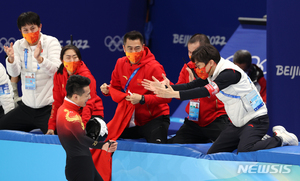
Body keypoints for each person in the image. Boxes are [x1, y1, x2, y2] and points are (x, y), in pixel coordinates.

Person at [142, 44, 298, 154]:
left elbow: (205, 91)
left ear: (211, 62)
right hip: (237, 123)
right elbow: (194, 84)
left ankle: (281, 138)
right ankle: (251, 138)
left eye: (199, 66)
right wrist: (169, 88)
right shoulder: (211, 72)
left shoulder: (229, 73)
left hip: (256, 120)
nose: (198, 70)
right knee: (214, 152)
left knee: (245, 149)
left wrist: (173, 95)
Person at [100, 30, 171, 143]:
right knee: (108, 139)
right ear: (124, 48)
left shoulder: (154, 67)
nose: (134, 52)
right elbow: (115, 87)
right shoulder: (120, 63)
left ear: (143, 47)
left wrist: (142, 99)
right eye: (130, 48)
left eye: (137, 48)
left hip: (155, 119)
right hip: (132, 119)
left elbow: (167, 97)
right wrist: (108, 90)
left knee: (157, 146)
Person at [0, 11, 61, 134]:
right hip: (26, 108)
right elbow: (14, 72)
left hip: (48, 109)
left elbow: (56, 71)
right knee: (2, 128)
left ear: (40, 27)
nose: (30, 33)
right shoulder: (18, 45)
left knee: (61, 137)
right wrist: (11, 60)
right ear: (20, 31)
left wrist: (40, 59)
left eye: (33, 28)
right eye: (25, 30)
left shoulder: (51, 42)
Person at [170, 33, 229, 143]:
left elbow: (210, 91)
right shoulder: (187, 67)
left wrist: (193, 85)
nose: (191, 56)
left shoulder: (217, 68)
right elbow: (179, 94)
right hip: (194, 120)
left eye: (195, 52)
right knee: (175, 145)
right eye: (189, 52)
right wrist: (167, 86)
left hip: (216, 119)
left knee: (229, 146)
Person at [57, 75, 117, 181]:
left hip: (83, 163)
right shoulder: (71, 117)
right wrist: (103, 145)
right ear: (75, 97)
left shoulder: (63, 109)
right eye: (87, 95)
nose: (89, 98)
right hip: (81, 167)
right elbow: (83, 139)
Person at [46, 45, 104, 135]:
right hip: (72, 114)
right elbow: (57, 102)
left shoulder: (87, 77)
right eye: (68, 58)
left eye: (75, 57)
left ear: (80, 59)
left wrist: (82, 126)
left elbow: (88, 104)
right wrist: (52, 127)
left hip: (91, 114)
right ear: (62, 60)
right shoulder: (58, 75)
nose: (72, 61)